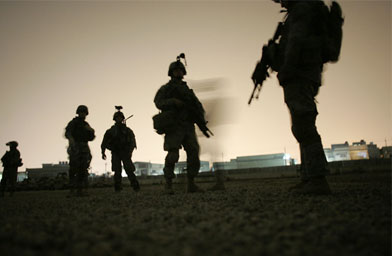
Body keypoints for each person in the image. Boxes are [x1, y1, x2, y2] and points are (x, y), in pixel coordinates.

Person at [253, 0, 340, 195]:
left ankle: (318, 179)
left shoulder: (302, 9)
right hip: (304, 73)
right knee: (300, 125)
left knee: (304, 126)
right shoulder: (302, 10)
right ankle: (309, 178)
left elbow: (296, 42)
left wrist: (287, 70)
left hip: (299, 74)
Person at [153, 54, 212, 194]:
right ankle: (168, 184)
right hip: (174, 125)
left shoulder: (187, 91)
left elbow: (197, 106)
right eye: (176, 70)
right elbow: (158, 102)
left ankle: (191, 184)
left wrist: (201, 120)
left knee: (193, 153)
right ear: (171, 73)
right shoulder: (166, 88)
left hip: (188, 126)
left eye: (180, 70)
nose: (178, 72)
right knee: (173, 154)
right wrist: (173, 102)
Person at [101, 106, 140, 192]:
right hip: (115, 152)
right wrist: (103, 152)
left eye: (120, 118)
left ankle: (135, 186)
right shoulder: (111, 131)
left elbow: (133, 141)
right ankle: (118, 188)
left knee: (129, 170)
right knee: (117, 170)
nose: (118, 119)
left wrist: (130, 152)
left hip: (125, 152)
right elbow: (104, 142)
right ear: (114, 119)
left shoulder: (127, 130)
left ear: (122, 119)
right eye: (117, 118)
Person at [65, 105, 95, 197]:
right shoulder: (73, 123)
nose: (83, 114)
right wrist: (71, 142)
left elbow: (91, 138)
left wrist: (91, 131)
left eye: (84, 113)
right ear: (78, 113)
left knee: (83, 169)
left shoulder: (86, 124)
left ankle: (82, 190)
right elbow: (68, 133)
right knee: (74, 169)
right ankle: (72, 190)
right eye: (81, 112)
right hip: (75, 147)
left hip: (84, 147)